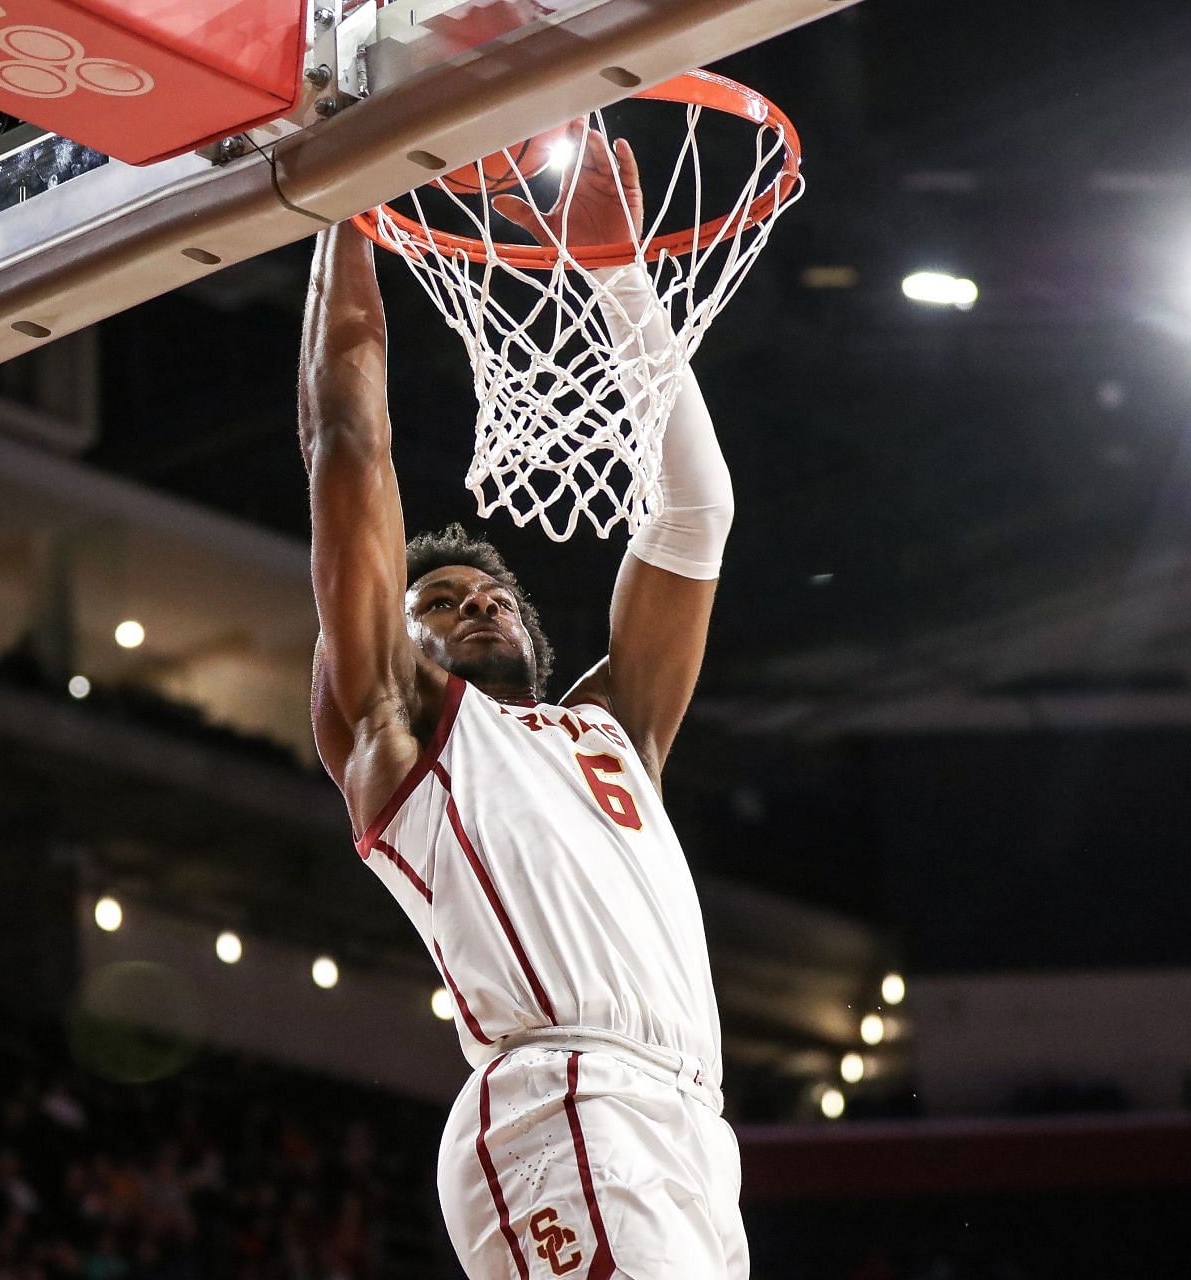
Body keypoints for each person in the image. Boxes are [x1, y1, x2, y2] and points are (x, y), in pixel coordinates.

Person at [299, 129, 745, 1279]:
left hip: (693, 1124)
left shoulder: (616, 729)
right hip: (566, 1099)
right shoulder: (401, 732)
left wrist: (616, 274)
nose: (481, 601)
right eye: (442, 597)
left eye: (493, 590)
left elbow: (695, 514)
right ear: (392, 646)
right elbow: (350, 439)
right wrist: (345, 203)